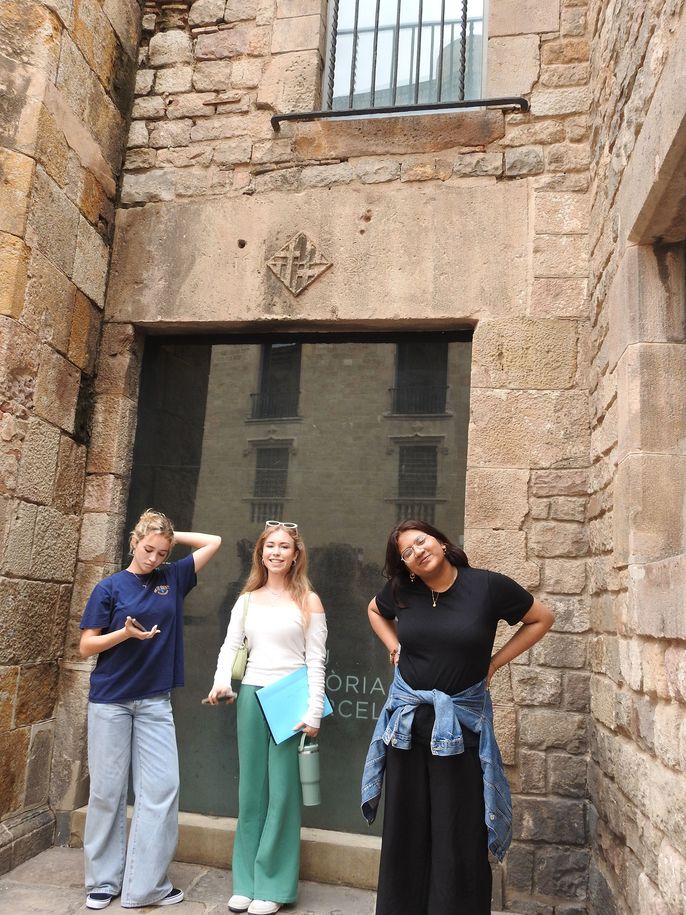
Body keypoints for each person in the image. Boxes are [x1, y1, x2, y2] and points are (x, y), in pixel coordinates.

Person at [362, 519, 554, 915]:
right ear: (406, 566)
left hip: (461, 730)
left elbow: (541, 619)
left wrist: (496, 663)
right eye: (407, 553)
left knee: (459, 833)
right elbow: (374, 610)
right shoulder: (402, 591)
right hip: (408, 730)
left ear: (441, 541)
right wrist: (394, 646)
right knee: (406, 832)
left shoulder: (486, 586)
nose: (417, 551)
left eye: (421, 541)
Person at [79, 509, 222, 910]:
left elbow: (214, 542)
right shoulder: (108, 587)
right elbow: (86, 646)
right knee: (107, 792)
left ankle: (145, 887)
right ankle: (103, 882)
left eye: (162, 551)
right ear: (133, 541)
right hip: (110, 700)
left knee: (161, 790)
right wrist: (122, 634)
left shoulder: (172, 578)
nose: (154, 558)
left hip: (155, 701)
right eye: (148, 549)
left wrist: (172, 536)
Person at [206, 521, 327, 915]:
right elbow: (230, 647)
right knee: (251, 792)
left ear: (296, 555)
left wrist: (313, 712)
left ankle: (273, 885)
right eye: (269, 546)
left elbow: (316, 661)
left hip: (290, 698)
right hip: (251, 695)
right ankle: (246, 882)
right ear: (261, 553)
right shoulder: (247, 600)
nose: (276, 552)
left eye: (284, 546)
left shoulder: (309, 600)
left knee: (283, 793)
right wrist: (222, 682)